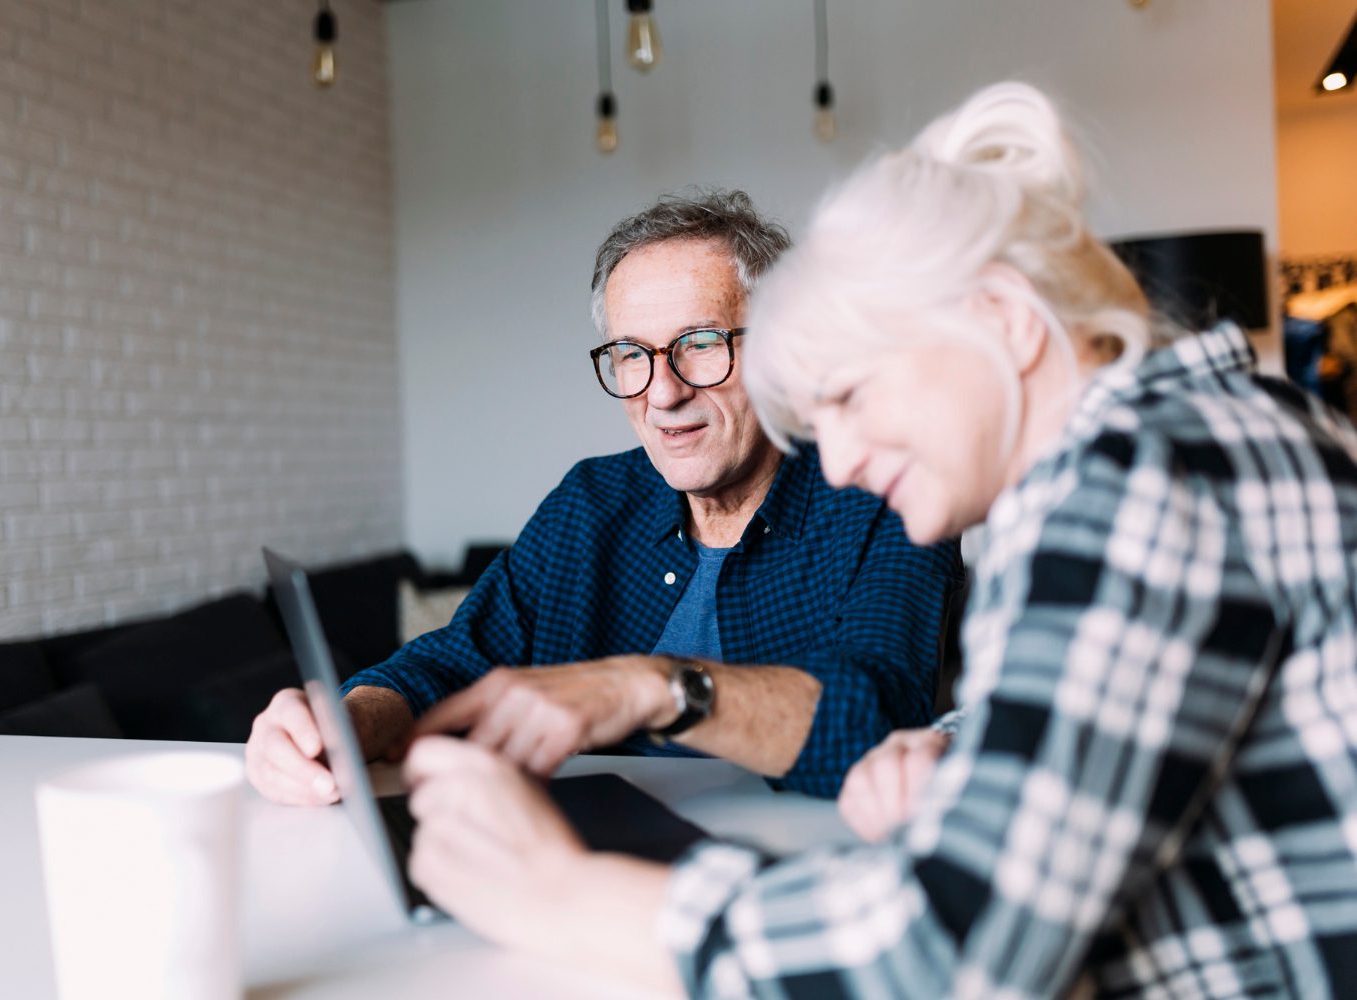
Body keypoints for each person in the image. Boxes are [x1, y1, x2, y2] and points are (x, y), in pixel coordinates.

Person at [400, 83, 1357, 997]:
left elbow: (948, 961)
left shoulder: (1144, 480)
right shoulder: (1212, 435)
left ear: (1007, 323)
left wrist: (557, 891)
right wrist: (962, 746)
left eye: (853, 395)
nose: (842, 461)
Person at [246, 190, 961, 803]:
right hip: (588, 853)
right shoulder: (592, 503)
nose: (664, 393)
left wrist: (649, 686)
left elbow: (878, 717)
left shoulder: (881, 492)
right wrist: (347, 719)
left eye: (701, 344)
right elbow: (457, 659)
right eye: (632, 356)